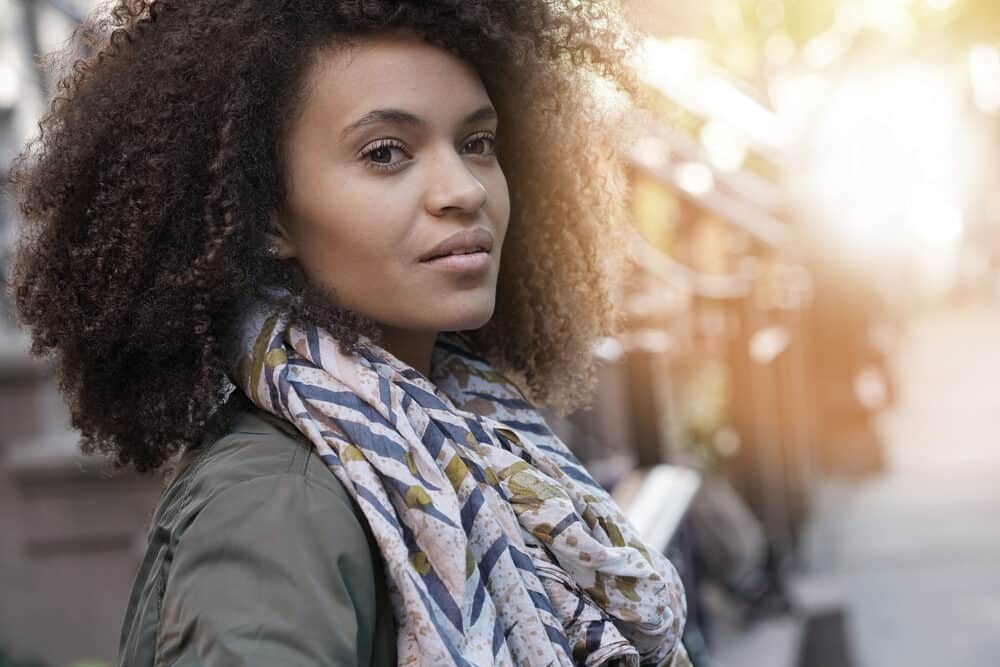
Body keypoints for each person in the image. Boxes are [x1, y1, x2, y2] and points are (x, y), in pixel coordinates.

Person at [7, 1, 690, 664]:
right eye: (387, 152)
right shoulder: (274, 507)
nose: (464, 189)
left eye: (478, 143)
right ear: (268, 214)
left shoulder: (470, 428)